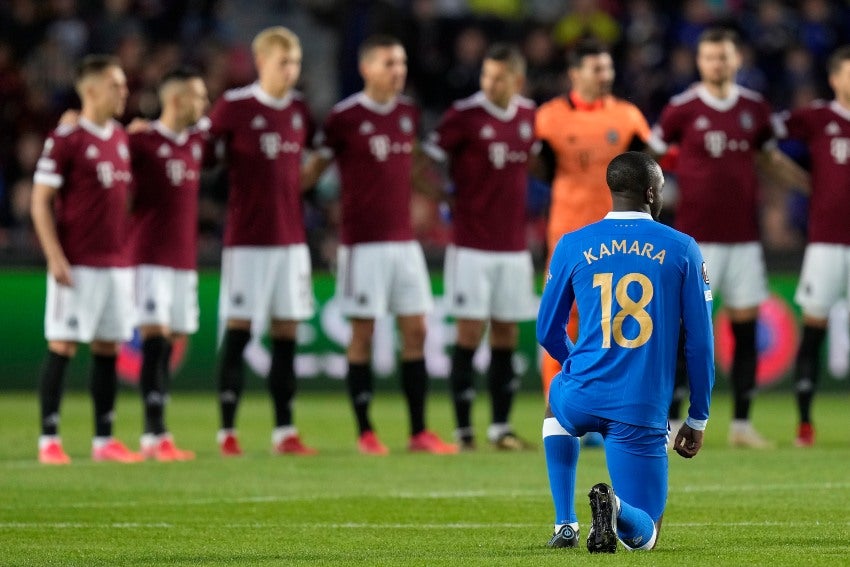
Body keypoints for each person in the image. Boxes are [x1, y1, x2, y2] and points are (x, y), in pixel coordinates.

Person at [538, 151, 714, 553]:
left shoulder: (573, 244)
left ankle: (566, 522)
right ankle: (614, 506)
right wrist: (697, 417)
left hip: (581, 393)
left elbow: (547, 329)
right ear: (652, 193)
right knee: (645, 536)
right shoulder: (682, 248)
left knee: (555, 406)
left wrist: (574, 364)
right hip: (639, 408)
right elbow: (700, 344)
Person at [648, 28, 807, 448]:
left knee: (746, 329)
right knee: (684, 331)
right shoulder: (681, 110)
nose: (717, 64)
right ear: (699, 63)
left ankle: (741, 424)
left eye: (724, 57)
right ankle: (668, 422)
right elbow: (653, 159)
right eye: (710, 57)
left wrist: (808, 186)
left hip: (744, 239)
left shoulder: (755, 109)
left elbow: (768, 160)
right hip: (695, 242)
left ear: (737, 61)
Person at [302, 34, 457, 455]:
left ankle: (419, 431)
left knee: (418, 330)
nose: (398, 71)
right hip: (362, 243)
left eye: (401, 62)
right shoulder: (344, 117)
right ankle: (366, 432)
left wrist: (442, 195)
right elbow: (314, 168)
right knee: (363, 335)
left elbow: (411, 164)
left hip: (403, 242)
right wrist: (289, 188)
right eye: (389, 63)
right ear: (367, 67)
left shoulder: (408, 113)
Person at [207, 26, 317, 456]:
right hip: (247, 241)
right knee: (240, 331)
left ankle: (284, 431)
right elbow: (205, 152)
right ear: (261, 62)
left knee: (286, 332)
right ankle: (227, 431)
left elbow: (307, 166)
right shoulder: (234, 107)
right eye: (282, 63)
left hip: (291, 241)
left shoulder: (299, 111)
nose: (290, 71)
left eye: (295, 63)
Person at [535, 39, 652, 446]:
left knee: (612, 324)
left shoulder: (627, 116)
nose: (606, 75)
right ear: (575, 73)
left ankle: (604, 412)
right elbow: (536, 169)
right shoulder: (548, 118)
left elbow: (648, 171)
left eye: (608, 68)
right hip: (567, 235)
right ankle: (560, 411)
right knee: (562, 322)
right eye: (597, 69)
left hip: (617, 238)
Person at [422, 43, 537, 451]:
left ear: (517, 81)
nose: (489, 83)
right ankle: (464, 430)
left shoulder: (528, 116)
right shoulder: (464, 115)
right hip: (471, 245)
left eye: (499, 77)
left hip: (513, 246)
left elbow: (538, 162)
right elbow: (424, 158)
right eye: (486, 75)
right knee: (470, 332)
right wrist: (442, 197)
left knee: (506, 331)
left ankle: (501, 428)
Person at [31, 55, 142, 464]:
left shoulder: (120, 138)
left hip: (116, 263)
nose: (124, 91)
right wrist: (54, 256)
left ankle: (104, 440)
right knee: (62, 346)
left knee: (108, 349)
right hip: (76, 263)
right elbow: (40, 202)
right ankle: (49, 440)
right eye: (116, 85)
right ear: (92, 89)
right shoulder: (66, 139)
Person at [127, 67, 208, 461]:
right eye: (199, 96)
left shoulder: (196, 142)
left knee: (169, 344)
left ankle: (158, 434)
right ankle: (153, 434)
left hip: (184, 262)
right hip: (148, 258)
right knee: (155, 344)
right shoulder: (141, 142)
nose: (205, 105)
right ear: (176, 100)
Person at [773, 45, 850, 447]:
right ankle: (805, 423)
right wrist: (799, 180)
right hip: (826, 243)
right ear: (836, 78)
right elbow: (766, 135)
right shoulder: (818, 118)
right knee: (815, 328)